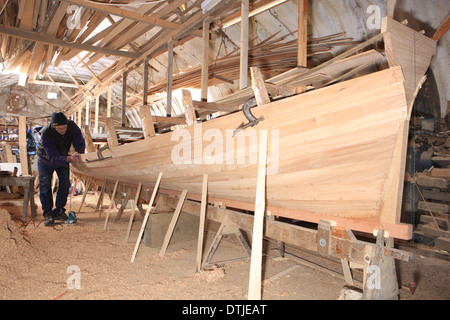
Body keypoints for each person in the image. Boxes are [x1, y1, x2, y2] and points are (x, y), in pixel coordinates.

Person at [36, 112, 86, 226]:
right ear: (54, 126)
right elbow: (53, 157)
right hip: (45, 161)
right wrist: (69, 158)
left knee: (64, 184)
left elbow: (79, 141)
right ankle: (48, 213)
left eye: (64, 128)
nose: (62, 130)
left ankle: (59, 211)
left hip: (63, 158)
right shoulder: (46, 133)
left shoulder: (72, 126)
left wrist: (79, 152)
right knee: (45, 186)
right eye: (59, 128)